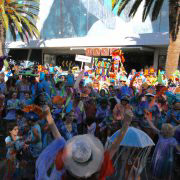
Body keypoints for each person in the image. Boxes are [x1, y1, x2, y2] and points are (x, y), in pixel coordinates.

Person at [35, 106, 133, 180]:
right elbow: (114, 146)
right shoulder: (98, 170)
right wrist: (126, 124)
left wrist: (48, 116)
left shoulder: (67, 169)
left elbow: (58, 138)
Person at [145, 112, 180, 180]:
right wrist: (148, 119)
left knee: (165, 172)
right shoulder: (161, 134)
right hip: (159, 158)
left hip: (166, 160)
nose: (161, 129)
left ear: (166, 131)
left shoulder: (172, 140)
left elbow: (178, 149)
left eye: (162, 128)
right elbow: (152, 127)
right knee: (158, 171)